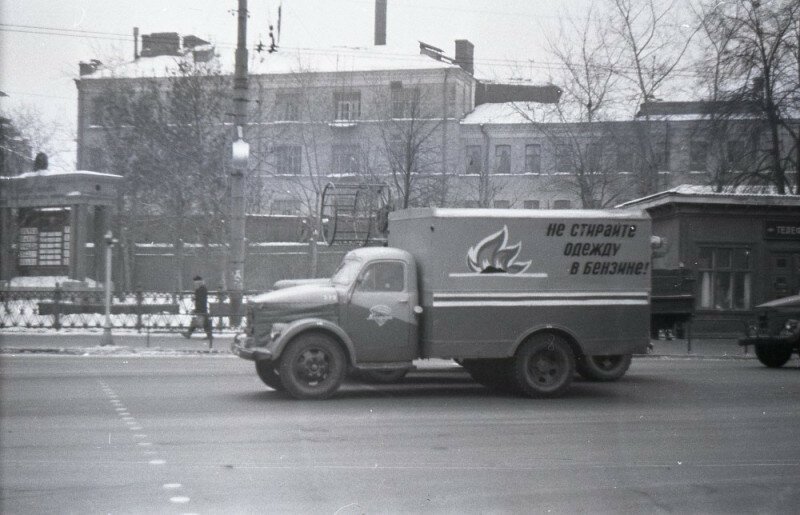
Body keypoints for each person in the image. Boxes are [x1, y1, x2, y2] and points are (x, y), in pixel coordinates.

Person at [182, 275, 213, 342]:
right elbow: (201, 298)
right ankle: (209, 335)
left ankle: (188, 334)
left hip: (201, 308)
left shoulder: (200, 289)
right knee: (204, 322)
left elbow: (200, 300)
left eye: (195, 283)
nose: (194, 284)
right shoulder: (202, 288)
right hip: (202, 307)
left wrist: (196, 308)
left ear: (198, 283)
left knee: (196, 321)